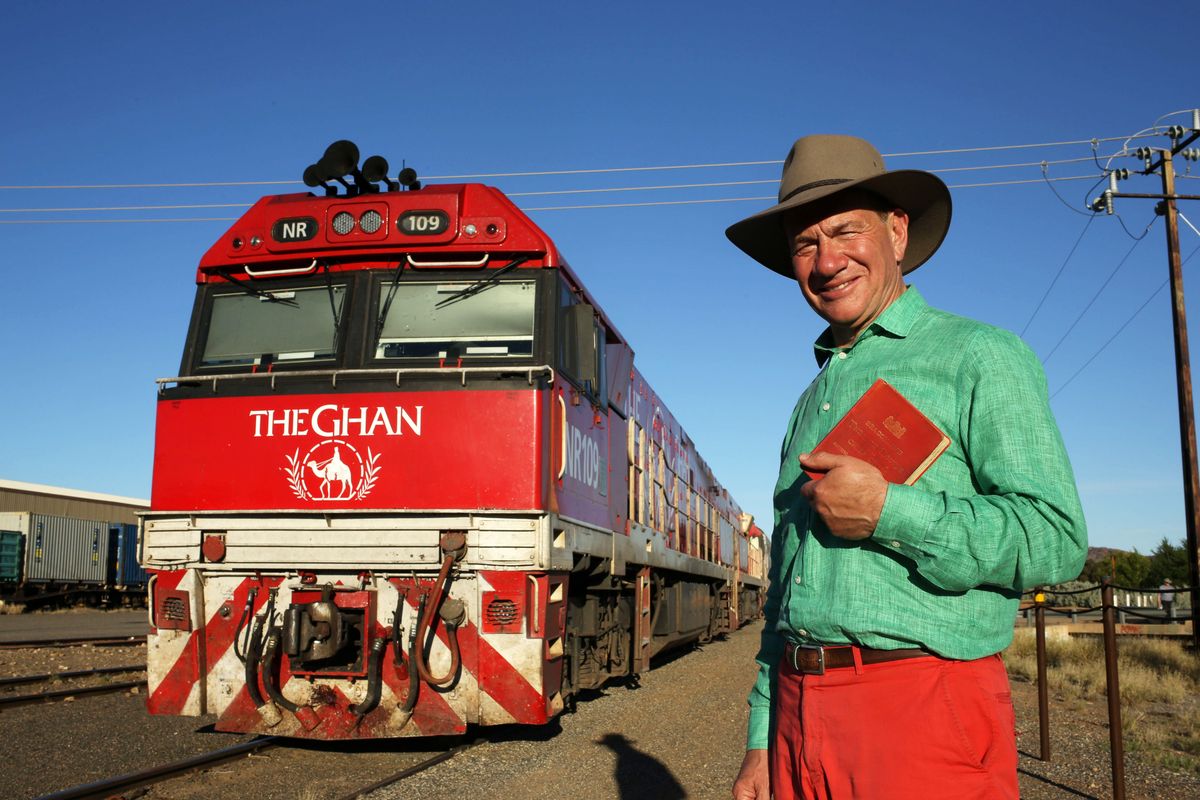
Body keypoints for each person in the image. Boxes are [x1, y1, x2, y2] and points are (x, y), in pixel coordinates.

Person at [724, 135, 1088, 800]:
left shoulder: (979, 356)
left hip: (923, 704)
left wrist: (893, 511)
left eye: (844, 231)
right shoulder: (809, 403)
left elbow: (1056, 540)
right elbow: (785, 592)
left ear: (896, 232)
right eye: (806, 243)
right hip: (797, 719)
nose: (827, 260)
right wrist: (760, 737)